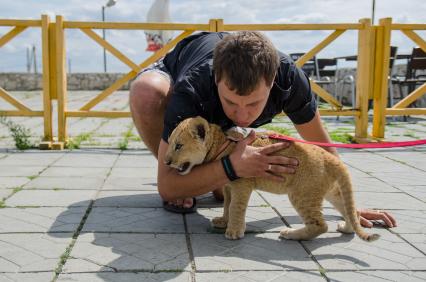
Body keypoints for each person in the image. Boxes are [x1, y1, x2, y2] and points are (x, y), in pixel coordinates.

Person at [129, 31, 396, 228]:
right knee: (146, 93)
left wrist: (348, 207)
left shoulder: (289, 79)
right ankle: (185, 169)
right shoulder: (194, 86)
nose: (242, 116)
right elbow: (166, 187)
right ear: (216, 80)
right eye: (231, 102)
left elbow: (324, 152)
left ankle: (204, 174)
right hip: (182, 65)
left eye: (254, 103)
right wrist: (230, 168)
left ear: (272, 82)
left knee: (224, 188)